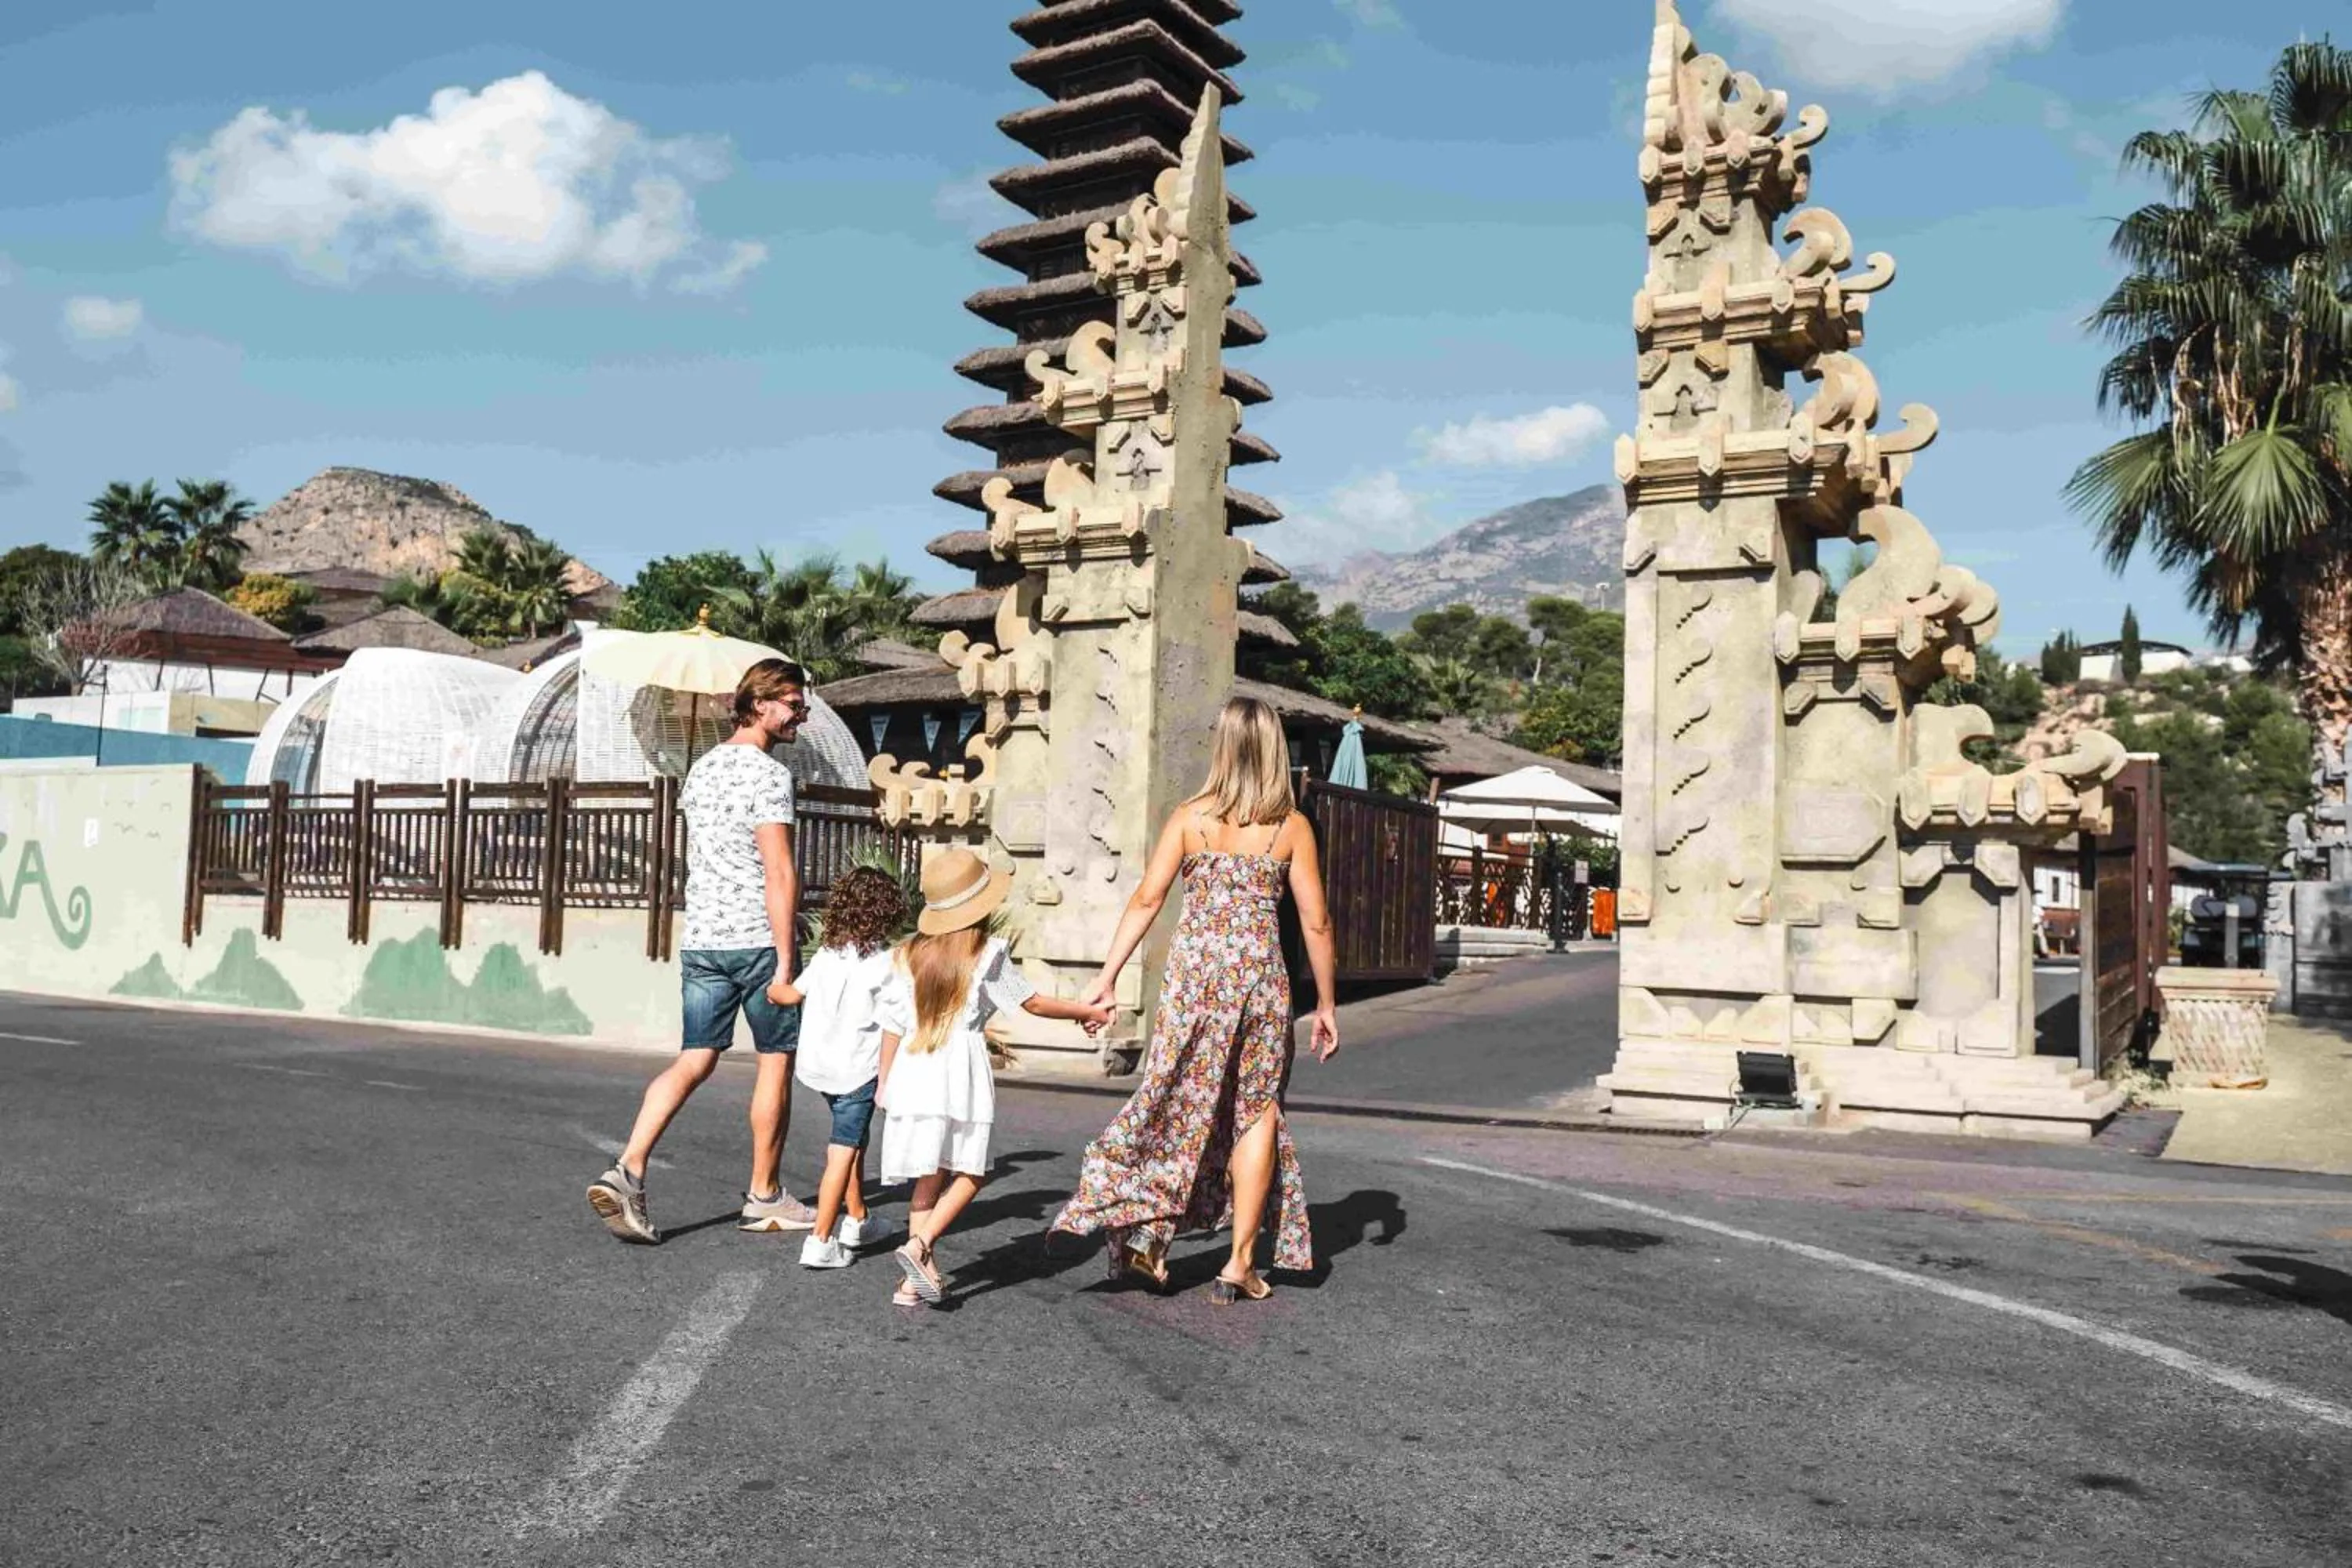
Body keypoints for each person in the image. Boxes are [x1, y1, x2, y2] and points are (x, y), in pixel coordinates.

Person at [1051, 695, 1340, 1305]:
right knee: (1255, 1110)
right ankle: (1238, 1264)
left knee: (1175, 1096)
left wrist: (1107, 977)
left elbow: (1147, 900)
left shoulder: (1190, 818)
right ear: (1273, 753)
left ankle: (1148, 1233)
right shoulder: (1290, 827)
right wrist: (1328, 1007)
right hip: (1260, 982)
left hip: (1193, 981)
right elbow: (1316, 924)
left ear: (1223, 748)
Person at [586, 659, 818, 1244]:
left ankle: (629, 1166)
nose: (802, 714)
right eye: (794, 703)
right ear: (761, 704)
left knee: (694, 1058)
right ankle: (765, 1196)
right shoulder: (768, 776)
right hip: (756, 941)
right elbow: (780, 872)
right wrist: (788, 962)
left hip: (704, 941)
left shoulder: (702, 770)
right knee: (775, 1060)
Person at [877, 849, 1113, 1307]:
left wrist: (885, 1080)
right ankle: (919, 1246)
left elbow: (891, 1022)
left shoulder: (906, 955)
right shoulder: (986, 955)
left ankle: (912, 1283)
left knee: (929, 1174)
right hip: (957, 1068)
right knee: (972, 1171)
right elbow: (1033, 1003)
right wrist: (1086, 1011)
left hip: (912, 1067)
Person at [789, 865, 909, 1270]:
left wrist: (772, 986)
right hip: (858, 1072)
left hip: (820, 1068)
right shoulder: (889, 963)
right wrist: (889, 1081)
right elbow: (897, 1023)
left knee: (854, 1140)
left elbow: (792, 994)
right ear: (887, 913)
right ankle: (820, 1240)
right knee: (842, 1150)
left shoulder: (827, 953)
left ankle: (858, 1220)